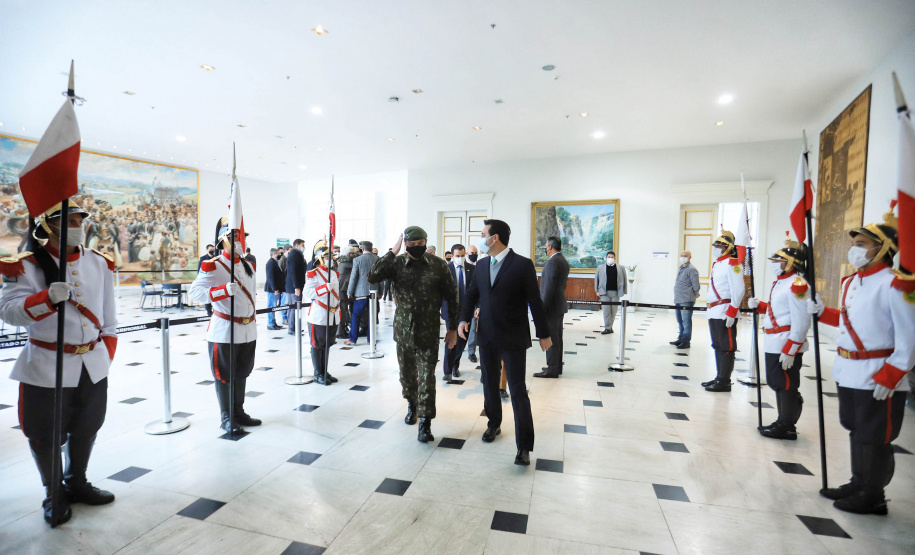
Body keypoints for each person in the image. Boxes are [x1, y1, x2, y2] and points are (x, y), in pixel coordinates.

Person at [0, 202, 117, 525]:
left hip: (91, 363)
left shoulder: (99, 263)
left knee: (87, 426)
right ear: (49, 226)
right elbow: (8, 312)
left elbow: (109, 320)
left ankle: (76, 481)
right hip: (45, 364)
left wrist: (105, 355)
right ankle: (53, 492)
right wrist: (46, 299)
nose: (78, 225)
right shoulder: (25, 266)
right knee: (44, 433)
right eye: (71, 220)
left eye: (81, 220)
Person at [807, 208, 913, 515]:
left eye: (863, 243)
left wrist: (893, 374)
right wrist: (822, 312)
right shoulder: (851, 282)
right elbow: (852, 321)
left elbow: (910, 334)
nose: (855, 248)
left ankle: (873, 494)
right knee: (855, 427)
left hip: (879, 372)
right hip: (849, 369)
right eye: (855, 242)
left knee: (875, 434)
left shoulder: (896, 284)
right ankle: (859, 481)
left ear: (884, 249)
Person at [458, 219, 551, 466]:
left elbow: (534, 300)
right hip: (487, 334)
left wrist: (543, 333)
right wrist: (463, 319)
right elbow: (471, 295)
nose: (480, 238)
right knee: (489, 383)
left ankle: (524, 447)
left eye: (482, 234)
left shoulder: (522, 264)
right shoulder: (482, 264)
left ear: (495, 237)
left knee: (518, 391)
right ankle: (493, 424)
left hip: (513, 336)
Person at [368, 226, 459, 443]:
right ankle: (412, 404)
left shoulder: (438, 265)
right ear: (405, 244)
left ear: (426, 242)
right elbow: (372, 277)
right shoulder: (396, 263)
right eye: (412, 245)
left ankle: (425, 423)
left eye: (421, 244)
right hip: (404, 331)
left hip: (428, 330)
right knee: (407, 377)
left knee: (427, 378)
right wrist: (392, 251)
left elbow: (451, 296)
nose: (418, 248)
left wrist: (453, 328)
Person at [189, 218, 260, 434]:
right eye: (235, 237)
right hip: (224, 330)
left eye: (242, 237)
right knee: (225, 375)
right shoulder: (214, 265)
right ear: (223, 241)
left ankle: (239, 411)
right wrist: (220, 291)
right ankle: (227, 417)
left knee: (242, 373)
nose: (241, 241)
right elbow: (194, 294)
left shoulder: (248, 264)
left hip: (247, 329)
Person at [747, 237, 811, 439]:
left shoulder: (797, 285)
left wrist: (791, 349)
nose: (774, 264)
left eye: (778, 261)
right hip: (774, 341)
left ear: (791, 263)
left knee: (786, 385)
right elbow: (779, 311)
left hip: (785, 343)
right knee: (778, 383)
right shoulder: (781, 283)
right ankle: (783, 419)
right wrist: (760, 305)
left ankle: (787, 425)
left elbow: (802, 320)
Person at [701, 231, 745, 392]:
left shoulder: (733, 264)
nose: (716, 248)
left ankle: (725, 381)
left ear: (728, 248)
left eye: (719, 246)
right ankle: (719, 377)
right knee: (718, 345)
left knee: (726, 346)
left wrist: (732, 312)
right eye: (715, 245)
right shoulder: (718, 263)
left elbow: (739, 290)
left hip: (725, 310)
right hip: (715, 310)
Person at [304, 240, 340, 385]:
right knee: (318, 344)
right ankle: (317, 373)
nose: (330, 260)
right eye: (327, 257)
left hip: (332, 314)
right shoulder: (314, 273)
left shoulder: (333, 273)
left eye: (331, 257)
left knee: (328, 343)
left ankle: (325, 371)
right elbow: (307, 292)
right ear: (319, 258)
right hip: (319, 314)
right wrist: (324, 288)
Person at [534, 236, 570, 378]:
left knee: (551, 338)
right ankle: (557, 366)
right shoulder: (563, 261)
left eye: (546, 245)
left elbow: (547, 289)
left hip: (552, 307)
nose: (545, 247)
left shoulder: (552, 263)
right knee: (557, 337)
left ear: (550, 247)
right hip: (559, 305)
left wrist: (541, 309)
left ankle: (552, 369)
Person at [442, 244, 474, 381]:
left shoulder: (472, 269)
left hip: (466, 310)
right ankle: (447, 370)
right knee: (451, 339)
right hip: (450, 310)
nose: (460, 258)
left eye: (462, 256)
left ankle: (455, 365)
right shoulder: (445, 270)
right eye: (457, 256)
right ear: (452, 256)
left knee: (462, 340)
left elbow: (475, 291)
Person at [346, 241, 379, 345]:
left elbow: (353, 277)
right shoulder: (378, 259)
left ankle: (353, 339)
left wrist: (349, 291)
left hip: (361, 293)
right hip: (374, 292)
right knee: (372, 316)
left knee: (356, 316)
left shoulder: (357, 260)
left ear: (362, 248)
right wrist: (380, 291)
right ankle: (371, 339)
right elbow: (381, 277)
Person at [671, 250, 701, 348]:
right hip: (678, 299)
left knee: (686, 321)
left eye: (685, 256)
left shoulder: (691, 269)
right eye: (681, 255)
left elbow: (696, 285)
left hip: (687, 300)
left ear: (690, 257)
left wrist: (695, 293)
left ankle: (686, 341)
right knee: (680, 320)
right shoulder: (681, 268)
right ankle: (681, 338)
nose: (683, 257)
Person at [594, 250, 627, 334]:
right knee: (606, 311)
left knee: (614, 311)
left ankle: (610, 327)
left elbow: (624, 279)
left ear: (615, 258)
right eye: (609, 257)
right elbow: (596, 279)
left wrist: (624, 291)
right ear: (606, 258)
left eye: (612, 257)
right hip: (604, 292)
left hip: (616, 293)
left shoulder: (621, 268)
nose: (610, 258)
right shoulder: (600, 267)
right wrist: (596, 290)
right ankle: (607, 328)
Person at [335, 242, 359, 339]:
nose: (355, 253)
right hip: (342, 288)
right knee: (343, 311)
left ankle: (342, 330)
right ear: (349, 254)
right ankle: (339, 332)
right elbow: (358, 258)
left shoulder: (343, 260)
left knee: (344, 311)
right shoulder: (347, 262)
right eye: (353, 252)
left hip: (344, 288)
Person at [284, 239, 307, 336]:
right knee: (294, 307)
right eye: (302, 245)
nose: (304, 247)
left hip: (293, 286)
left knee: (292, 308)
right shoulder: (294, 255)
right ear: (297, 245)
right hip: (294, 287)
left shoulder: (297, 254)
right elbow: (293, 272)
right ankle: (292, 329)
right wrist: (296, 287)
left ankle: (294, 327)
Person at [264, 248, 285, 330]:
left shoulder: (275, 262)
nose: (279, 254)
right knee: (271, 306)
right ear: (274, 254)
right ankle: (270, 323)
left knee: (273, 306)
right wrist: (275, 288)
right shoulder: (270, 263)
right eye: (278, 253)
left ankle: (273, 322)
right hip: (271, 289)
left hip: (275, 289)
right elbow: (271, 277)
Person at [198, 243, 217, 316]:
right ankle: (209, 311)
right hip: (206, 280)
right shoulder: (203, 258)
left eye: (213, 249)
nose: (212, 251)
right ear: (207, 250)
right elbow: (200, 269)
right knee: (207, 295)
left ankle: (216, 310)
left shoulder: (216, 258)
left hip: (215, 279)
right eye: (210, 250)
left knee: (215, 295)